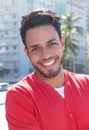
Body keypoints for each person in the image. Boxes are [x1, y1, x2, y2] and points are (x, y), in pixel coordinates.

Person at [5, 9, 89, 130]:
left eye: (51, 43)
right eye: (35, 48)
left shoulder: (87, 84)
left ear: (62, 42)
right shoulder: (20, 97)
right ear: (27, 53)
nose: (46, 55)